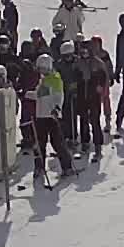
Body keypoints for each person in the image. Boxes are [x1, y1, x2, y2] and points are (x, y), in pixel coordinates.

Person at [31, 54, 76, 189]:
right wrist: (25, 94)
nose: (41, 72)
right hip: (40, 116)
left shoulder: (55, 79)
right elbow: (39, 96)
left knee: (57, 142)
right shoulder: (43, 80)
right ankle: (39, 167)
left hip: (51, 116)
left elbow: (59, 96)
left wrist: (57, 108)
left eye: (43, 69)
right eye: (40, 69)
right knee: (39, 143)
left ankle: (67, 166)